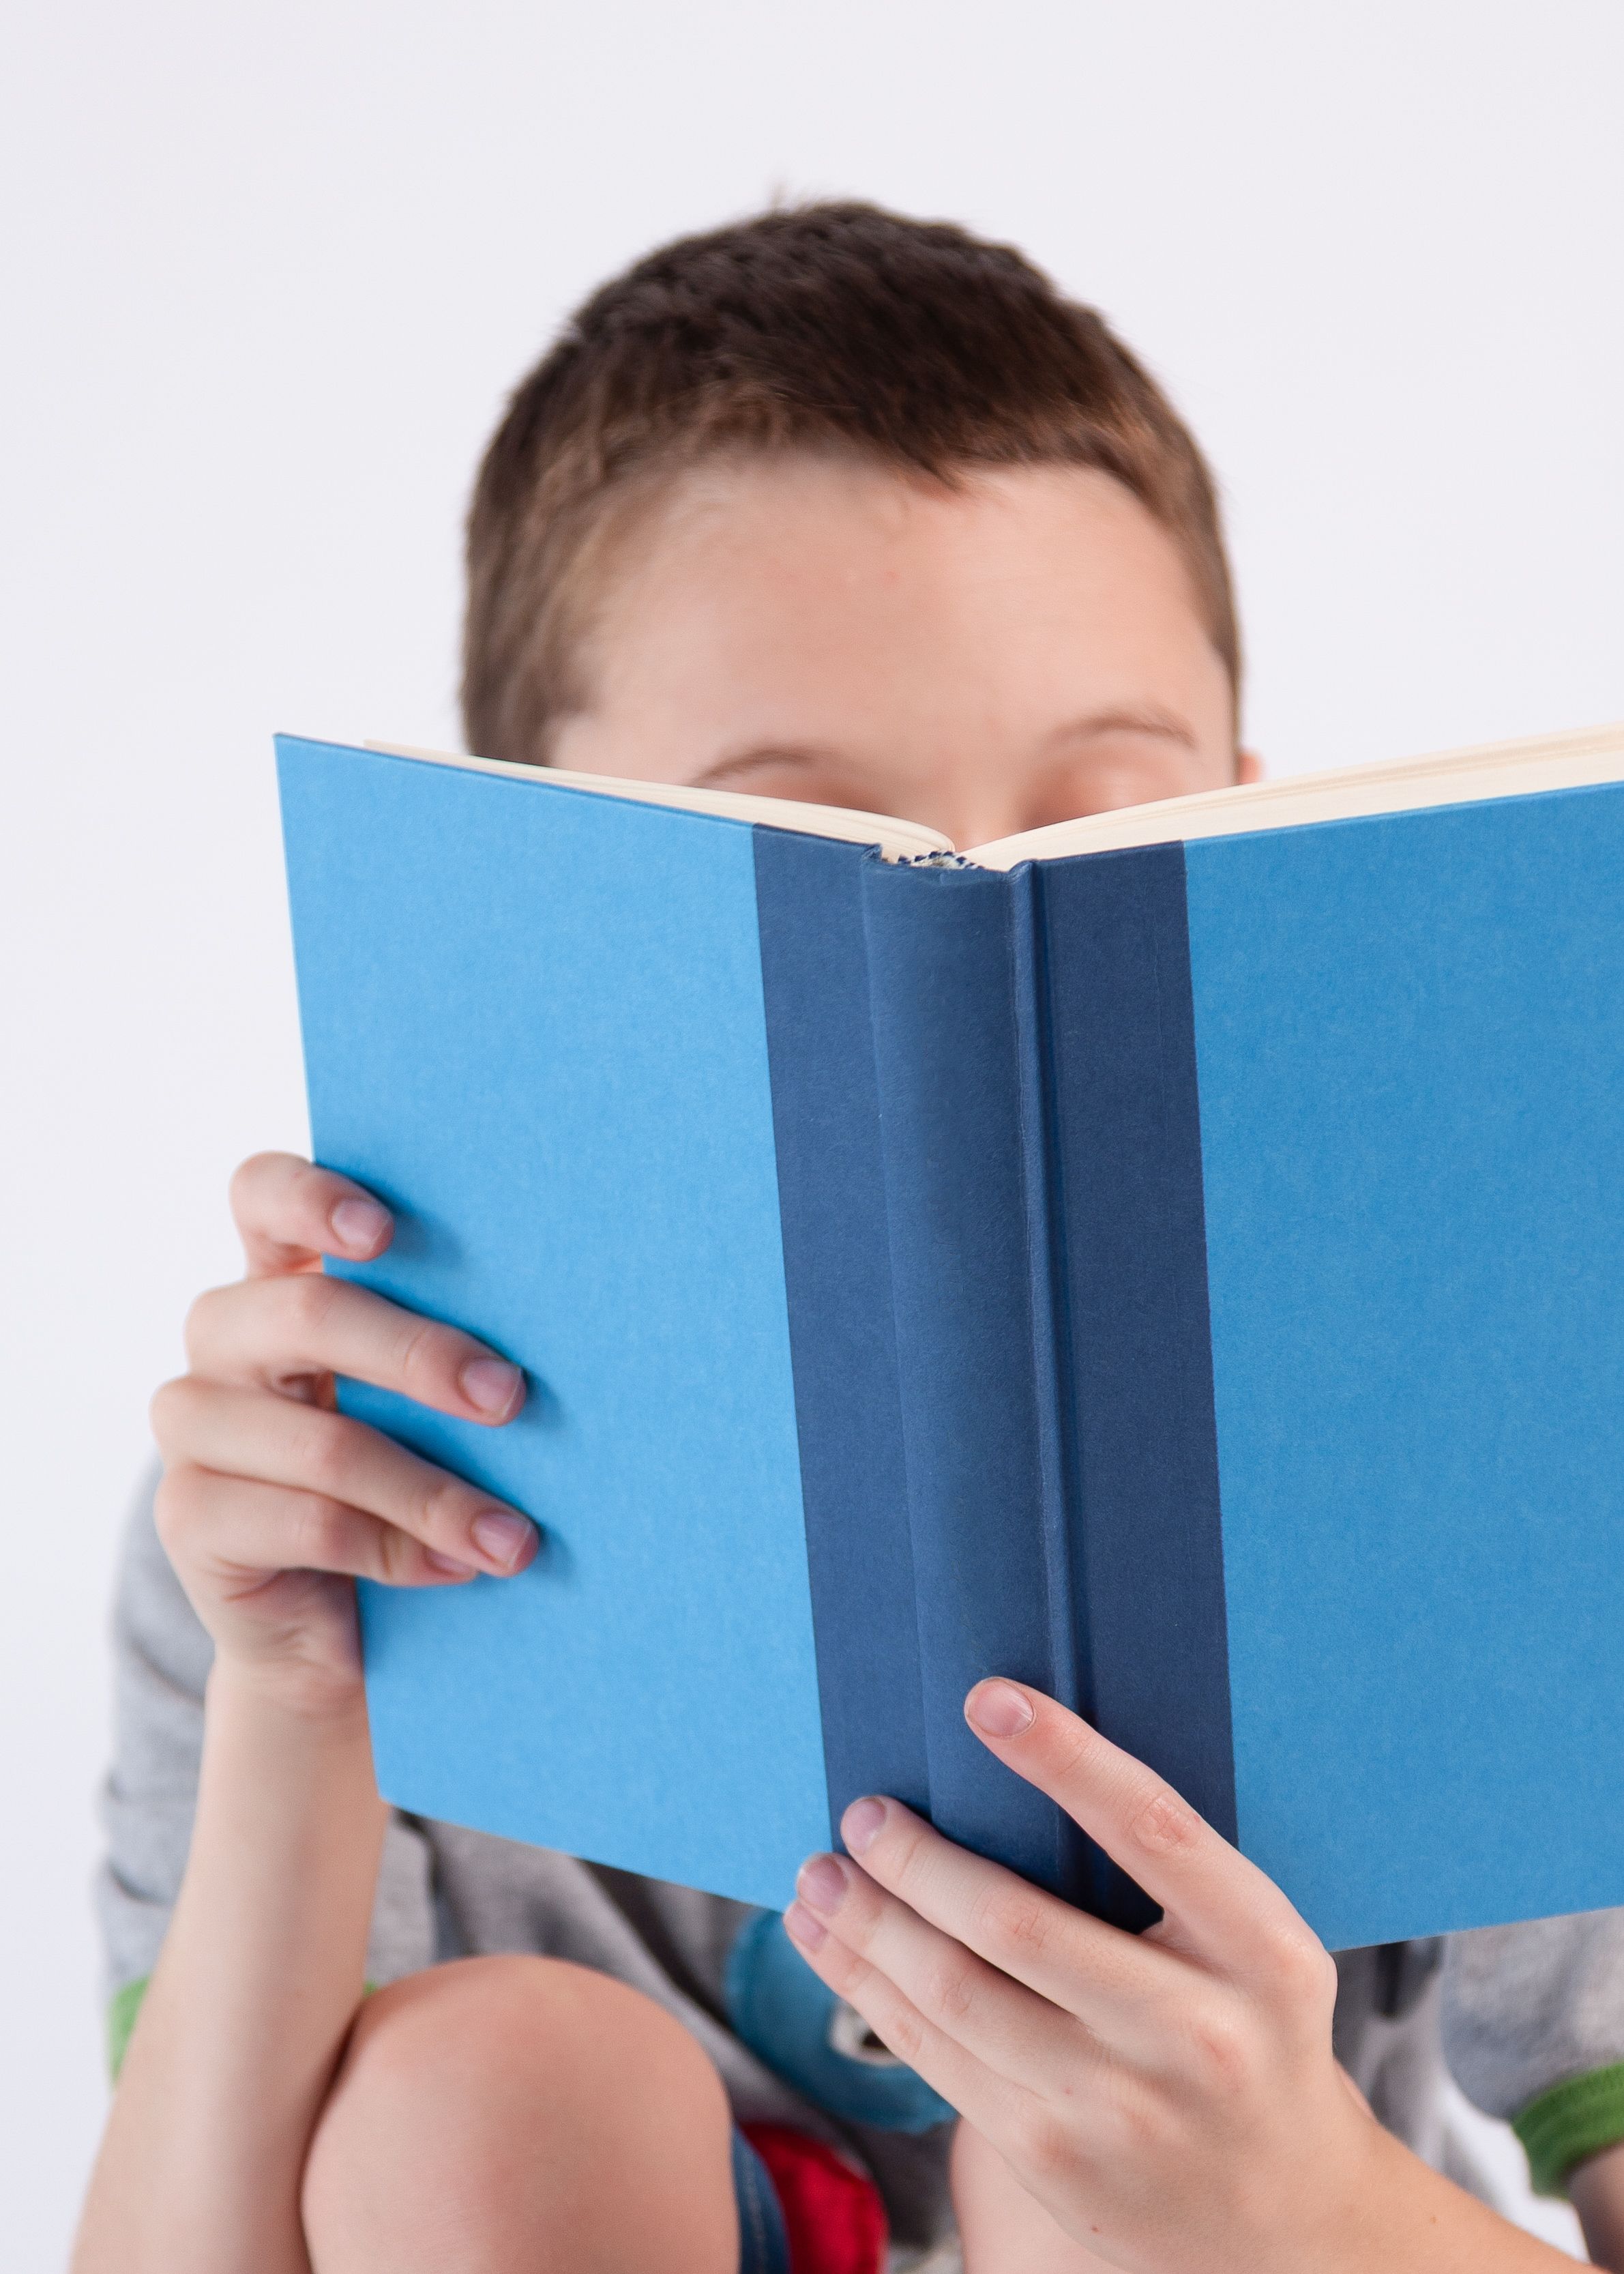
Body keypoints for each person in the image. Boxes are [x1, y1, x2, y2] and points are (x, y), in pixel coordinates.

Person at [73, 203, 1624, 2274]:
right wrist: (298, 1708)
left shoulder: (1478, 1457)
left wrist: (1310, 2205)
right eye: (799, 840)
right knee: (480, 2104)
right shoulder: (314, 1493)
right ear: (539, 887)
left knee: (1089, 2185)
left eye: (1095, 825)